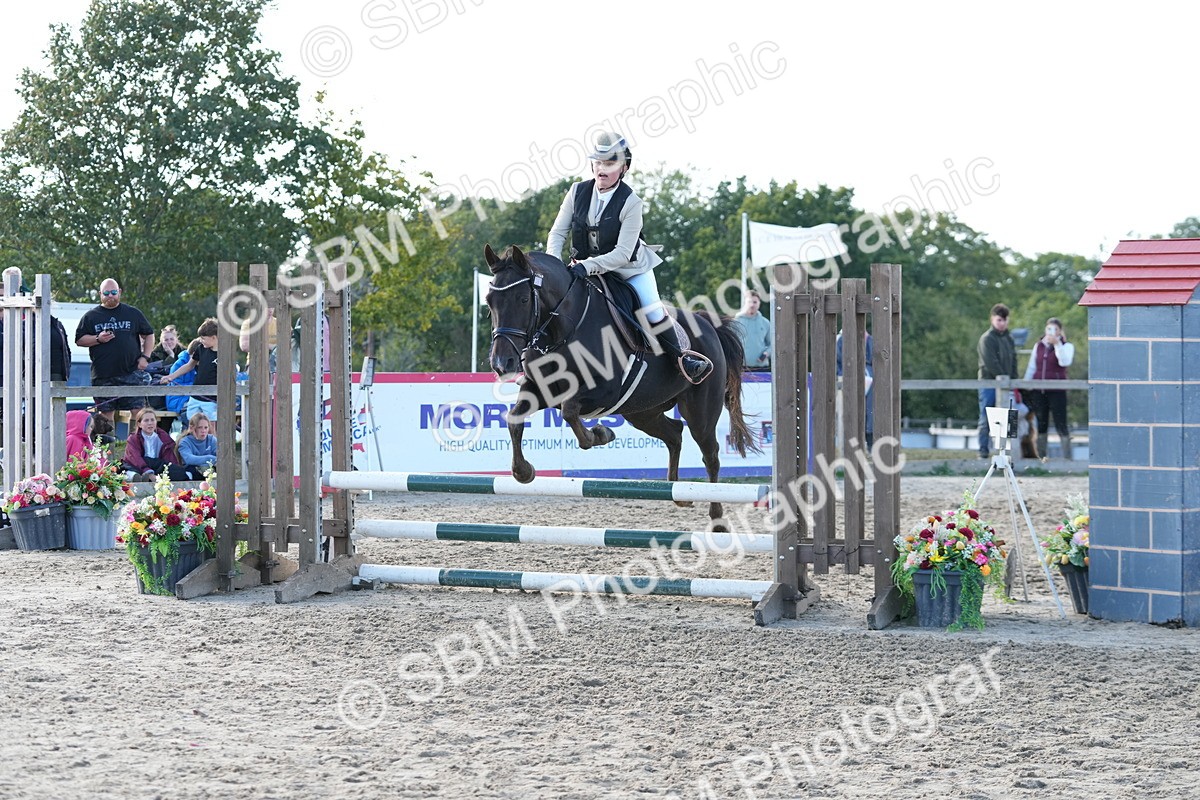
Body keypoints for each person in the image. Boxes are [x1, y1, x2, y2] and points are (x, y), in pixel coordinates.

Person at [545, 132, 712, 384]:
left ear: (624, 167)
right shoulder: (576, 192)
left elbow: (623, 253)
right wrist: (554, 265)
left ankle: (681, 359)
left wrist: (587, 267)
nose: (602, 169)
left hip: (628, 268)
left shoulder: (632, 202)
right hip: (582, 268)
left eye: (609, 163)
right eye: (598, 162)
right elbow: (557, 233)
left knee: (653, 310)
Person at [74, 279, 154, 423]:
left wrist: (145, 357)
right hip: (103, 375)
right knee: (106, 415)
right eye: (106, 293)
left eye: (113, 292)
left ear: (119, 292)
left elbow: (149, 334)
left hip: (131, 372)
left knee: (138, 412)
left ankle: (134, 438)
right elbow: (79, 340)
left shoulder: (132, 313)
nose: (110, 296)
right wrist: (98, 338)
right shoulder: (91, 316)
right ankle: (108, 439)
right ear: (100, 294)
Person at [1024, 317, 1076, 460]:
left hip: (1057, 391)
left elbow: (1064, 361)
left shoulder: (1067, 346)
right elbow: (1032, 367)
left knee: (1061, 423)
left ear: (1060, 331)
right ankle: (1042, 456)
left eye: (1055, 329)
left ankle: (1067, 458)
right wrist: (1025, 384)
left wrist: (1057, 344)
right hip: (1039, 391)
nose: (1051, 332)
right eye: (1049, 329)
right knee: (1041, 423)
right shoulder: (1038, 346)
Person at [159, 319, 220, 424]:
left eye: (203, 338)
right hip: (195, 396)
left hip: (212, 398)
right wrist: (171, 376)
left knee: (210, 425)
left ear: (213, 337)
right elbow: (189, 365)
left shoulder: (223, 354)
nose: (201, 340)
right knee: (191, 423)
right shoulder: (201, 348)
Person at [976, 303, 1017, 459]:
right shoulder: (987, 339)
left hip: (1007, 384)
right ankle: (983, 450)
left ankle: (1006, 452)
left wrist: (1014, 381)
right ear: (992, 319)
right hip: (989, 383)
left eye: (1005, 320)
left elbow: (1014, 361)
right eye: (999, 320)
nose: (1002, 323)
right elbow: (990, 362)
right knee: (986, 417)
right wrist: (1004, 378)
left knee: (1007, 418)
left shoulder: (1009, 338)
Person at [122, 406, 189, 482]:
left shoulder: (163, 437)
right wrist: (148, 472)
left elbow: (169, 460)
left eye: (152, 420)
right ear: (139, 424)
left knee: (178, 472)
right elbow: (135, 459)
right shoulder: (133, 439)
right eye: (146, 420)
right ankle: (138, 477)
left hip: (157, 465)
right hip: (139, 465)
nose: (150, 423)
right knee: (129, 471)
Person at [836, 329, 874, 449]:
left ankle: (869, 441)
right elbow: (838, 362)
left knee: (869, 411)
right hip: (848, 378)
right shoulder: (842, 340)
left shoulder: (870, 340)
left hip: (869, 380)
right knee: (850, 411)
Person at [734, 291, 771, 370]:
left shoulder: (765, 323)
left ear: (759, 303)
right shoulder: (736, 322)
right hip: (740, 367)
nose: (752, 305)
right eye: (749, 302)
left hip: (761, 368)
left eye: (755, 302)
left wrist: (766, 353)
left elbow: (772, 344)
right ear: (745, 303)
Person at [177, 411, 217, 479]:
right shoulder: (184, 442)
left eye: (206, 427)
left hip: (211, 470)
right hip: (192, 471)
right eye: (199, 427)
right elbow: (189, 459)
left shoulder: (212, 439)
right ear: (192, 428)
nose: (203, 431)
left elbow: (221, 456)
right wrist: (211, 458)